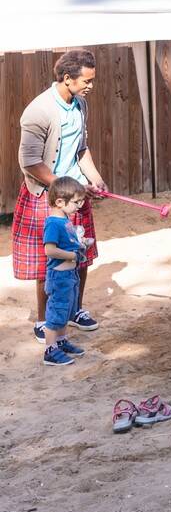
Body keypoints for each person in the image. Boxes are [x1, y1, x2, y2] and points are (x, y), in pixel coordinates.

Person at [14, 49, 106, 344]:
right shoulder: (38, 111)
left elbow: (81, 148)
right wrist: (67, 187)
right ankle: (44, 320)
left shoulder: (80, 104)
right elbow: (29, 161)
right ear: (67, 78)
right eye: (87, 80)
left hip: (76, 191)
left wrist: (94, 178)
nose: (91, 85)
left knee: (81, 254)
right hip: (48, 194)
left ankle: (73, 310)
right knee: (49, 261)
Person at [40, 177, 91, 366]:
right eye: (77, 202)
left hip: (70, 276)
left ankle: (60, 342)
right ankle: (50, 351)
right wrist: (72, 255)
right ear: (60, 202)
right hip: (59, 277)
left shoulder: (65, 219)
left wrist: (81, 243)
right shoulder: (53, 223)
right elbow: (50, 250)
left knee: (66, 310)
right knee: (56, 313)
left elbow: (67, 242)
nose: (80, 205)